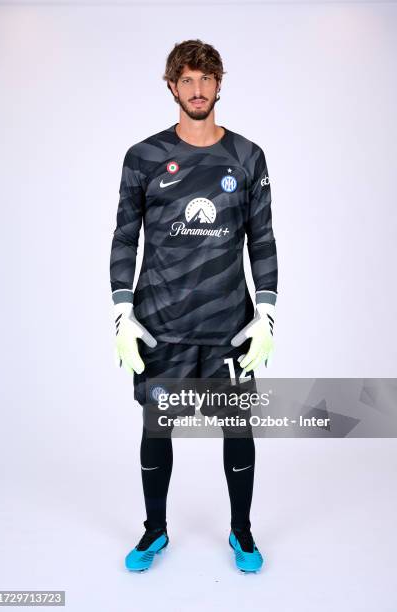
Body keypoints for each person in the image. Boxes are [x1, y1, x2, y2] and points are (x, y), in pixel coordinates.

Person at [110, 39, 278, 573]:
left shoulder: (247, 157)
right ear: (172, 86)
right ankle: (154, 532)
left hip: (228, 323)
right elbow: (124, 237)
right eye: (187, 80)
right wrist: (122, 312)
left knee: (238, 427)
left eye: (206, 79)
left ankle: (243, 535)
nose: (198, 89)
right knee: (156, 426)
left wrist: (266, 313)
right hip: (162, 323)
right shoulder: (143, 156)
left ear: (219, 84)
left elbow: (263, 239)